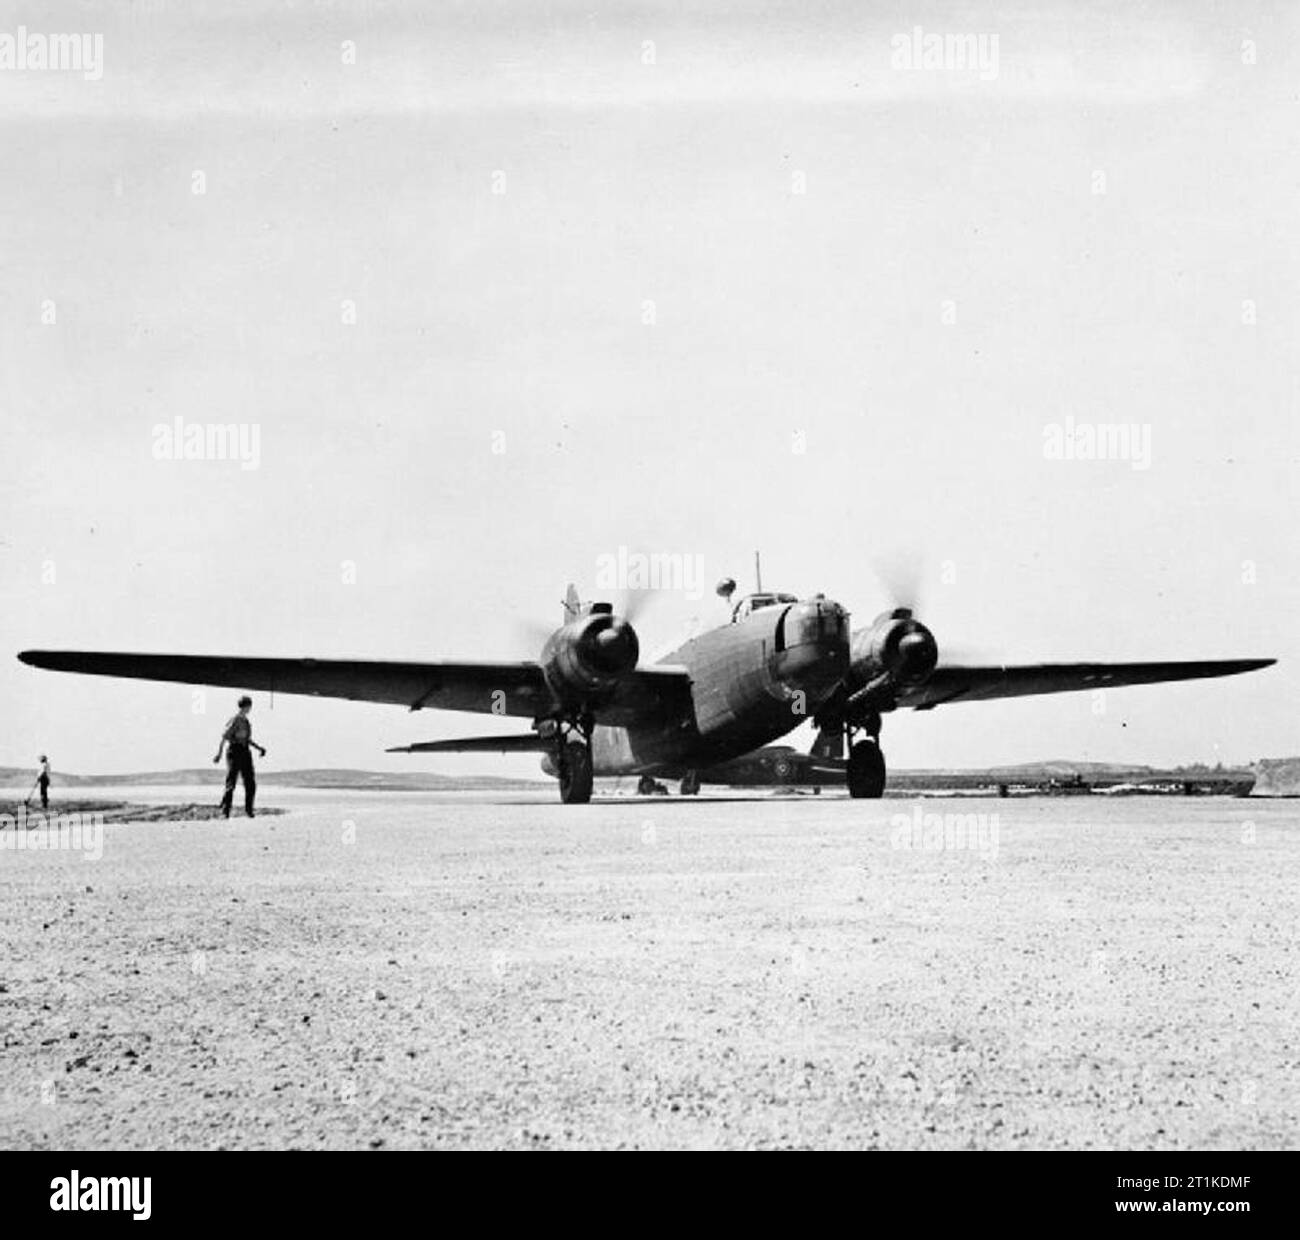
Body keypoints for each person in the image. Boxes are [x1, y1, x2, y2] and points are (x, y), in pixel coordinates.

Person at [214, 695, 266, 818]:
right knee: (231, 782)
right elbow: (225, 737)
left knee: (250, 783)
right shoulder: (235, 720)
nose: (250, 709)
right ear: (246, 706)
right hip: (234, 751)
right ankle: (225, 811)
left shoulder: (246, 722)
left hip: (245, 751)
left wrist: (259, 748)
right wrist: (219, 754)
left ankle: (249, 810)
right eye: (249, 706)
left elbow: (248, 740)